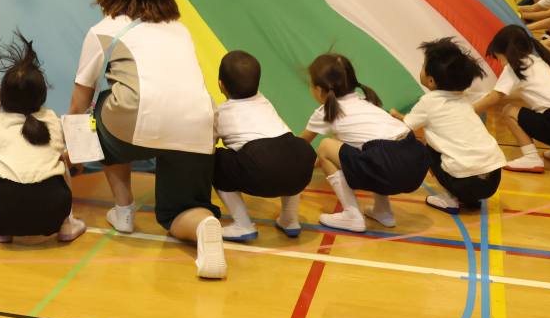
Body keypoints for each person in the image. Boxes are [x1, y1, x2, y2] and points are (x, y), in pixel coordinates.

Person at [67, 0, 226, 278]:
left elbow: (79, 102)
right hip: (197, 126)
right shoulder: (180, 30)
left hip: (131, 125)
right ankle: (203, 224)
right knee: (177, 212)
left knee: (101, 105)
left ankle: (124, 210)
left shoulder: (103, 30)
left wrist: (74, 150)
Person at [0, 33, 86, 244]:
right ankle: (66, 224)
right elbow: (75, 157)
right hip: (53, 215)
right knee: (60, 160)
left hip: (5, 215)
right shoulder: (53, 120)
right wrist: (71, 161)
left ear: (4, 96)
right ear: (42, 94)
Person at [301, 52, 427, 232]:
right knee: (371, 150)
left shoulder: (326, 111)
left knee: (326, 146)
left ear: (319, 90)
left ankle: (351, 215)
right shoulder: (365, 101)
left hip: (389, 164)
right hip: (415, 162)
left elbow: (300, 145)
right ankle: (383, 211)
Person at [208, 50, 315, 241]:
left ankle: (242, 224)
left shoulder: (220, 112)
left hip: (262, 167)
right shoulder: (264, 101)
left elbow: (209, 145)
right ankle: (290, 219)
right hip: (302, 166)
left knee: (214, 160)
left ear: (220, 84)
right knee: (288, 158)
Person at [403, 39, 506, 211]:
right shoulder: (464, 98)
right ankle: (467, 197)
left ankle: (452, 199)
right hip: (493, 179)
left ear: (431, 81)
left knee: (425, 148)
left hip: (465, 182)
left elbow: (404, 128)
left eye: (423, 66)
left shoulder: (429, 101)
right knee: (448, 144)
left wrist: (394, 116)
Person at [477, 25, 550, 173]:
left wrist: (470, 110)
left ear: (507, 52)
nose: (501, 63)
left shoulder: (515, 66)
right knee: (541, 110)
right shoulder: (537, 61)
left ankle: (531, 158)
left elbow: (494, 98)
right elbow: (512, 94)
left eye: (499, 58)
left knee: (509, 111)